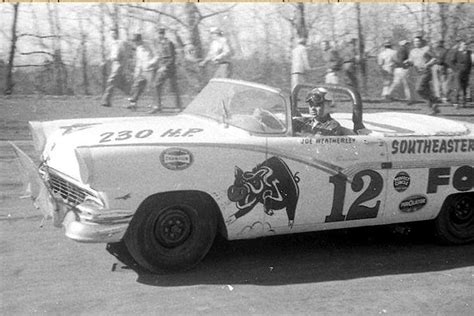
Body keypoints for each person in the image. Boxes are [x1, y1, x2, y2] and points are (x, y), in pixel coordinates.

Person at [149, 26, 181, 114]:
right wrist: (155, 64)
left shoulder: (169, 43)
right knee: (156, 85)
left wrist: (165, 66)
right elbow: (159, 56)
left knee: (172, 87)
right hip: (162, 66)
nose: (159, 36)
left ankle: (177, 106)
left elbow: (172, 57)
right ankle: (157, 106)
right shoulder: (158, 44)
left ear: (163, 34)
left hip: (169, 67)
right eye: (158, 34)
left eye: (161, 34)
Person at [406, 35, 439, 115]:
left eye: (418, 41)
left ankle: (433, 99)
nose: (416, 43)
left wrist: (427, 64)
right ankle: (433, 108)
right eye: (415, 41)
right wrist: (408, 62)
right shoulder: (412, 51)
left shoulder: (427, 49)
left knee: (419, 89)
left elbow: (435, 59)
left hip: (426, 71)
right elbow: (411, 61)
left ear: (422, 42)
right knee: (425, 90)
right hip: (418, 72)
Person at [100, 28, 130, 107]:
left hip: (119, 64)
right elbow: (110, 55)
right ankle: (133, 97)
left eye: (114, 33)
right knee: (121, 84)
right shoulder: (111, 43)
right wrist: (104, 61)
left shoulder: (121, 43)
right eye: (111, 33)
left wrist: (122, 65)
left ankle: (106, 100)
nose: (112, 35)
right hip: (113, 64)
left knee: (111, 81)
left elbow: (124, 55)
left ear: (117, 34)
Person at [127, 34, 155, 110]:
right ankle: (133, 103)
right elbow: (139, 61)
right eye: (134, 42)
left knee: (151, 88)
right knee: (137, 86)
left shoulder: (149, 45)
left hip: (152, 69)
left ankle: (156, 104)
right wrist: (137, 72)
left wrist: (151, 63)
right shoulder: (138, 49)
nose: (135, 43)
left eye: (136, 41)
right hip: (143, 71)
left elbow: (157, 55)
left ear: (140, 40)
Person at [448, 39, 472, 108]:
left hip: (466, 73)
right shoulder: (456, 53)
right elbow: (451, 62)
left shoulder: (469, 53)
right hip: (458, 72)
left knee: (464, 87)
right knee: (457, 87)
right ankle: (455, 101)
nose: (466, 46)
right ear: (461, 45)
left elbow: (470, 63)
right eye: (464, 45)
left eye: (466, 45)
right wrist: (456, 69)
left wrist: (469, 71)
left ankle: (463, 102)